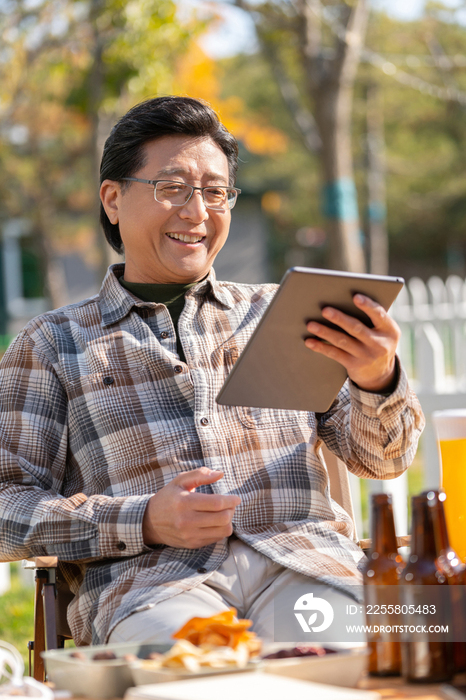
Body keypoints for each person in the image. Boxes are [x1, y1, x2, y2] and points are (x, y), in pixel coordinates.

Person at [0, 96, 424, 648]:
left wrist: (376, 376)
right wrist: (143, 519)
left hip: (307, 567)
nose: (197, 211)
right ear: (112, 199)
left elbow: (383, 456)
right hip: (154, 588)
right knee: (191, 680)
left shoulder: (283, 314)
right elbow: (7, 505)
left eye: (215, 191)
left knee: (355, 658)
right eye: (172, 187)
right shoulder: (52, 344)